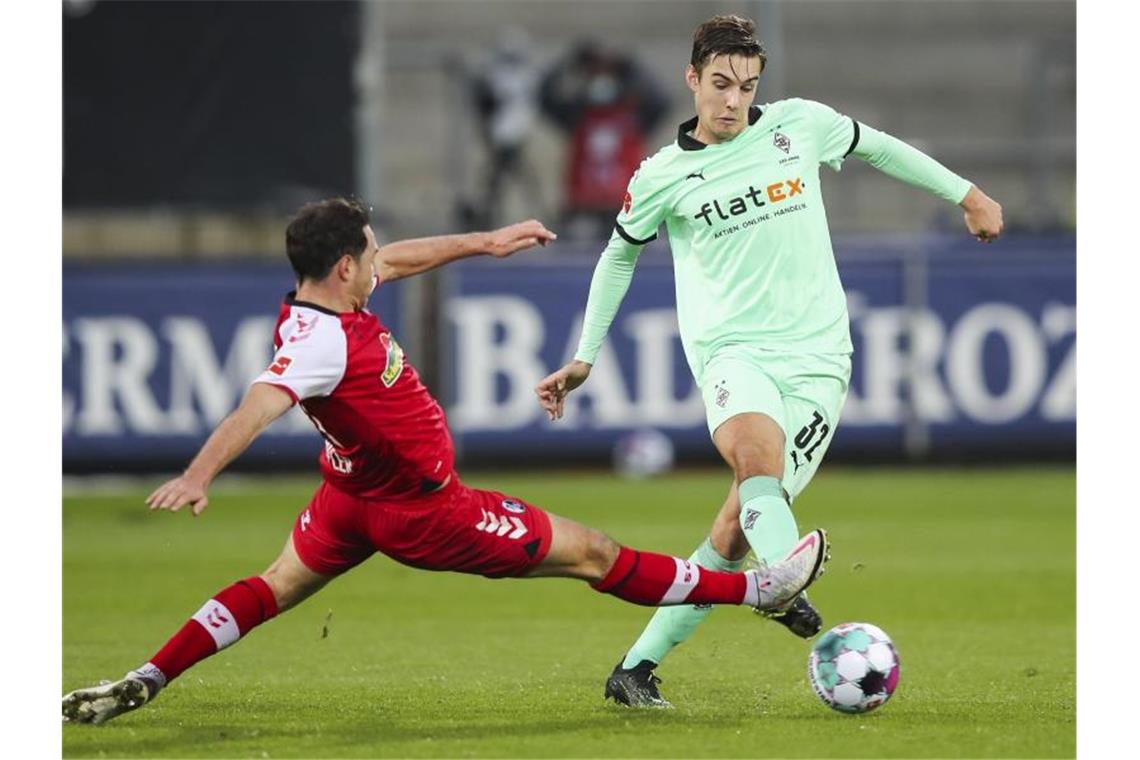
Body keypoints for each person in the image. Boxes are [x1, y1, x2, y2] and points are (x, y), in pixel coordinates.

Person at [61, 198, 830, 725]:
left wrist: (486, 243)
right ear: (341, 271)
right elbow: (257, 407)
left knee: (270, 588)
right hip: (424, 513)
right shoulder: (321, 344)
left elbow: (396, 259)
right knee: (593, 553)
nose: (378, 262)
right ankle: (756, 589)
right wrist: (199, 475)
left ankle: (145, 678)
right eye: (366, 256)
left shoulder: (325, 303)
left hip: (347, 501)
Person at [535, 14, 1004, 708]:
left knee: (732, 528)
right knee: (754, 463)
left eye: (747, 87)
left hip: (818, 361)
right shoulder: (662, 175)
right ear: (692, 80)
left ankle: (634, 670)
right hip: (733, 353)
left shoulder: (799, 127)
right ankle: (785, 584)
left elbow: (880, 149)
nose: (733, 102)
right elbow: (619, 255)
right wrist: (584, 356)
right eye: (720, 84)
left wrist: (967, 194)